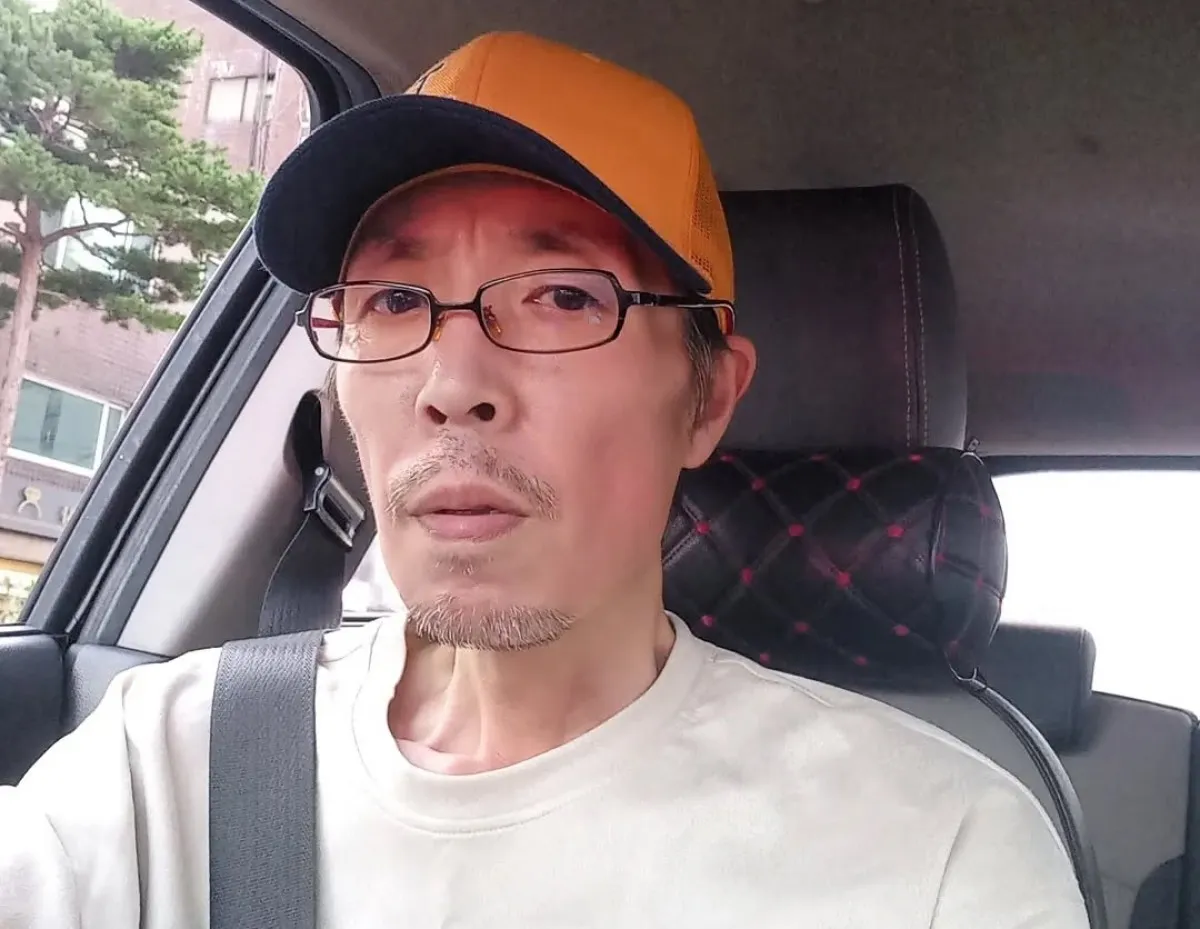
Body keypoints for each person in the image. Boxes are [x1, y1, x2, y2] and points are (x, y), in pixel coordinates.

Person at [0, 30, 1087, 929]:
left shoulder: (937, 850)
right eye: (393, 302)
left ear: (707, 399)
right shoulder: (162, 764)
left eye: (565, 297)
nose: (452, 384)